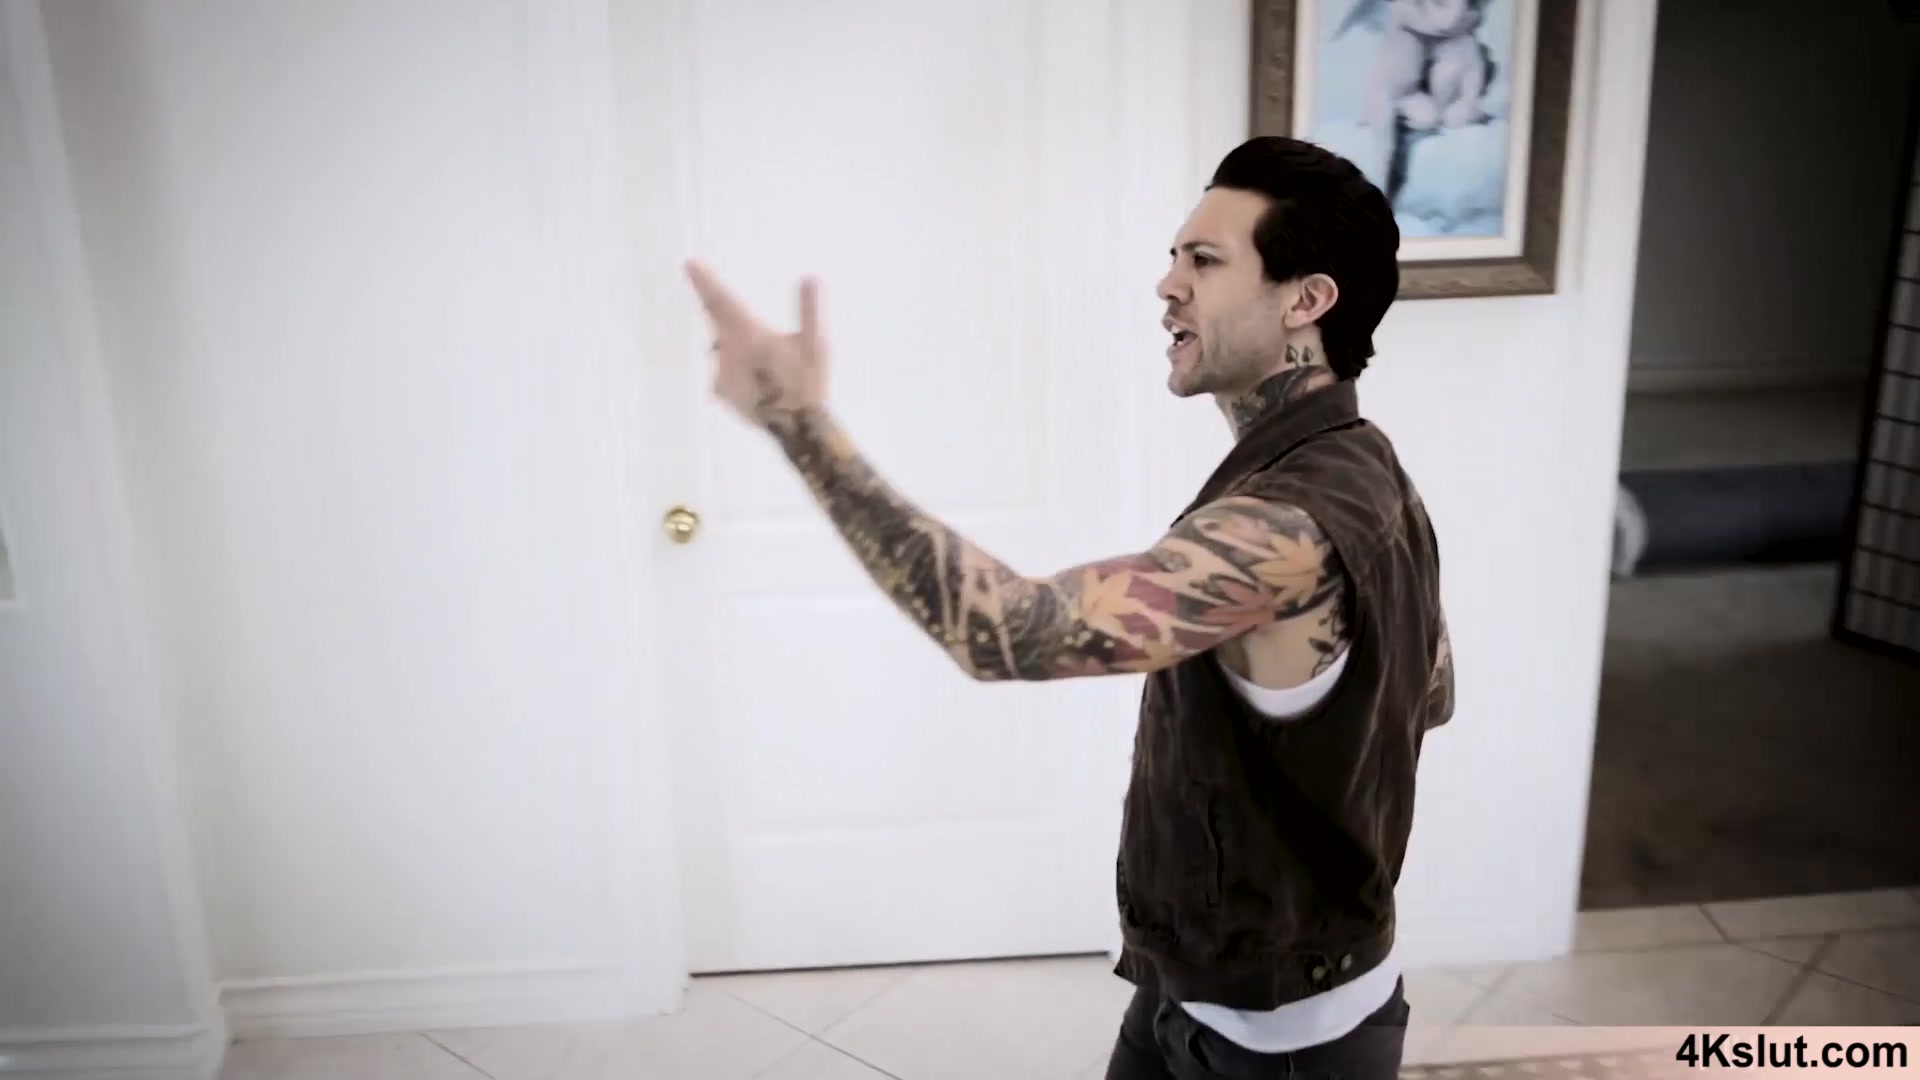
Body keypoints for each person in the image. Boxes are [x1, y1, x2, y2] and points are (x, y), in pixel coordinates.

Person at [684, 134, 1452, 1080]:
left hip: (1280, 1038)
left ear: (1307, 300)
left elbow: (1007, 632)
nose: (1167, 285)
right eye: (1174, 256)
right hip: (1197, 991)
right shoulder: (1368, 468)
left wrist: (801, 427)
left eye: (1204, 261)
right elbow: (1430, 691)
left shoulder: (1288, 527)